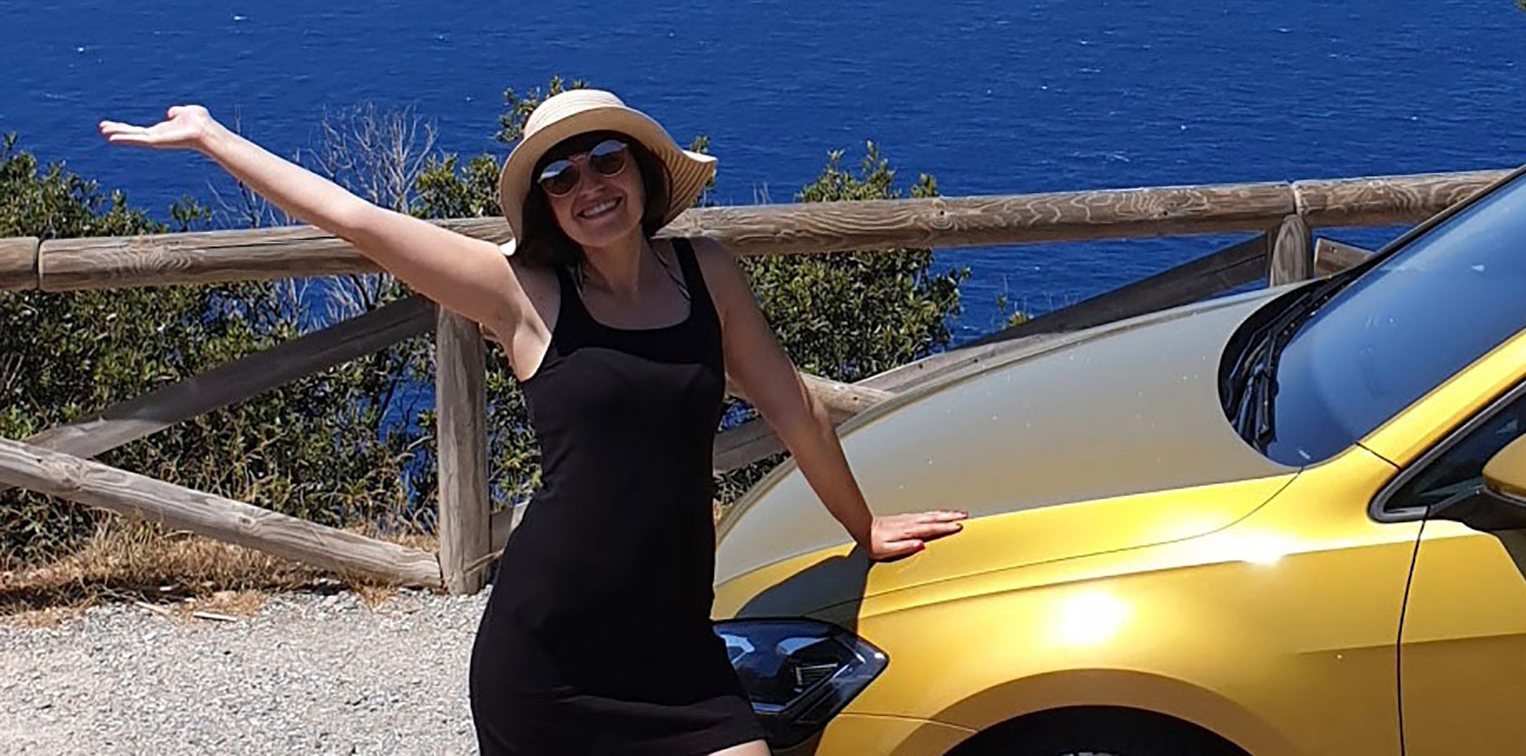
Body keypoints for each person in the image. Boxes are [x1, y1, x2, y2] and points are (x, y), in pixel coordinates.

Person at [100, 90, 967, 755]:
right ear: (546, 204)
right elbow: (359, 221)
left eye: (606, 161)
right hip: (548, 654)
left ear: (642, 171)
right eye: (563, 177)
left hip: (677, 647)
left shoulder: (705, 271)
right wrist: (212, 138)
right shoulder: (520, 294)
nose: (590, 186)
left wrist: (862, 526)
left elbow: (794, 407)